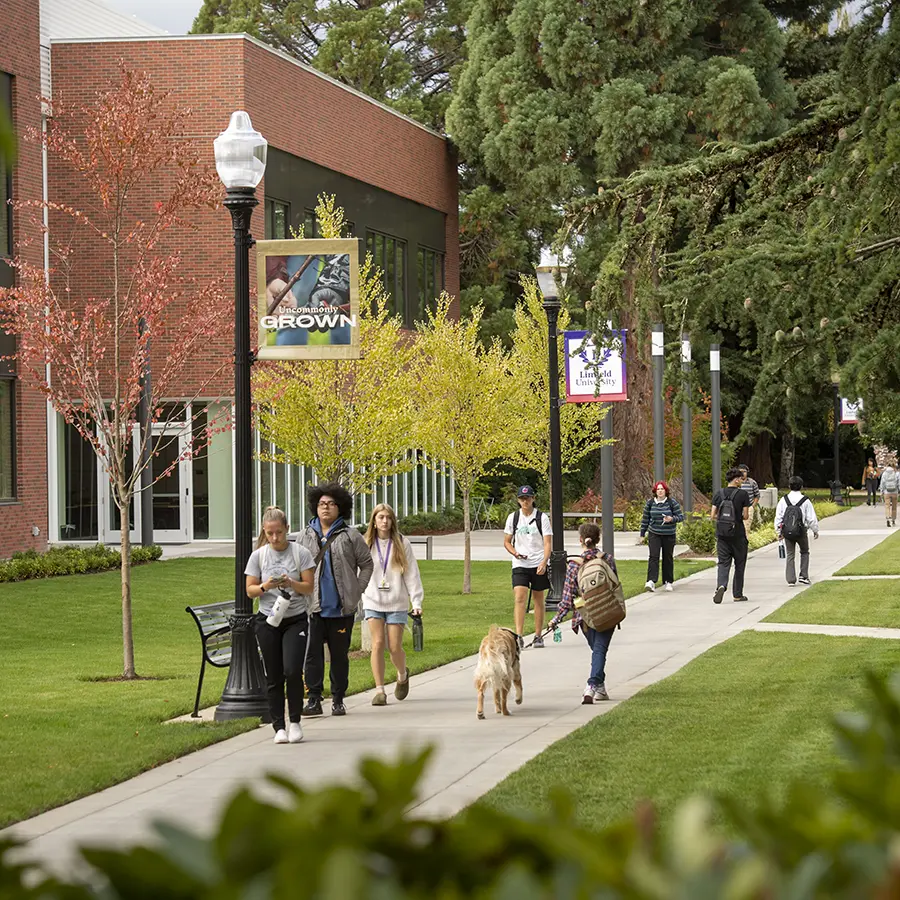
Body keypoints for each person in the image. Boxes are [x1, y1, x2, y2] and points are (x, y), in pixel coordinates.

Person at [299, 483, 374, 717]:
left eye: (331, 504)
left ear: (340, 508)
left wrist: (356, 590)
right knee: (312, 655)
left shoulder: (350, 536)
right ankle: (313, 699)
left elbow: (367, 564)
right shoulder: (304, 536)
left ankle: (338, 699)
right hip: (312, 607)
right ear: (315, 507)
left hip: (341, 609)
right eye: (322, 504)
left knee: (339, 656)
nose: (326, 508)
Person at [245, 507, 316, 744]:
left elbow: (308, 587)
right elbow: (250, 590)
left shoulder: (300, 553)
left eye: (279, 532)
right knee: (273, 675)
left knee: (292, 670)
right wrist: (266, 586)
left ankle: (294, 720)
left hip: (295, 618)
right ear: (264, 533)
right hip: (268, 620)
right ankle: (279, 727)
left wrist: (290, 582)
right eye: (270, 534)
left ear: (287, 529)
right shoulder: (259, 556)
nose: (275, 538)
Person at [362, 503, 424, 706]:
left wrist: (416, 601)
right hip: (373, 600)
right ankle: (379, 690)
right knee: (378, 643)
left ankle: (402, 674)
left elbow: (411, 573)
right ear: (374, 520)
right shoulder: (366, 543)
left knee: (395, 646)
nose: (384, 521)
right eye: (380, 517)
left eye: (388, 517)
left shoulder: (401, 542)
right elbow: (359, 572)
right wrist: (357, 595)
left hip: (396, 601)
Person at [547, 523, 616, 704]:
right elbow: (615, 586)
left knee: (598, 650)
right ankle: (596, 686)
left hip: (585, 617)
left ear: (580, 540)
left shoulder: (573, 565)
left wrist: (556, 619)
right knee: (599, 651)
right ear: (598, 539)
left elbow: (568, 597)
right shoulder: (607, 559)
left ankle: (592, 685)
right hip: (608, 613)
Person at [503, 485, 552, 650]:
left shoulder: (542, 518)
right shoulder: (513, 518)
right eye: (522, 499)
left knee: (538, 598)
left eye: (528, 498)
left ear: (533, 499)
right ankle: (519, 636)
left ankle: (538, 635)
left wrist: (544, 562)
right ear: (518, 500)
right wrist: (515, 553)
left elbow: (547, 543)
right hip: (520, 563)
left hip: (538, 562)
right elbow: (507, 541)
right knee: (519, 598)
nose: (525, 501)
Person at [711, 467, 752, 604]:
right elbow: (746, 516)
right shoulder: (743, 495)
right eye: (740, 478)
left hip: (722, 535)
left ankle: (721, 585)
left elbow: (712, 515)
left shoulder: (719, 493)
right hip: (738, 534)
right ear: (736, 480)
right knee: (739, 564)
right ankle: (737, 594)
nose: (742, 481)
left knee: (723, 563)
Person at [639, 480, 684, 592]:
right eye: (658, 489)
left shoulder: (672, 503)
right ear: (655, 491)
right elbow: (645, 519)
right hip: (654, 533)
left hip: (669, 534)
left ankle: (668, 581)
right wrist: (642, 534)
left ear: (666, 491)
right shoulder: (650, 503)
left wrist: (671, 519)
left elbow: (680, 517)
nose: (660, 491)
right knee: (653, 557)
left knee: (667, 558)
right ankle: (651, 581)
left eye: (662, 489)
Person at [774, 476, 820, 585]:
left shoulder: (784, 500)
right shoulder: (805, 500)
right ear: (801, 486)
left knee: (790, 554)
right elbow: (811, 518)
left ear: (789, 486)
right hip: (801, 530)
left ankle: (790, 579)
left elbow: (779, 516)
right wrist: (815, 530)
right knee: (804, 551)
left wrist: (778, 531)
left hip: (787, 531)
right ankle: (803, 575)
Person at [738, 464, 760, 538]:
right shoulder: (736, 482)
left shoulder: (752, 482)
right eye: (740, 471)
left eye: (744, 471)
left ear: (747, 472)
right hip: (737, 507)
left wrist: (752, 506)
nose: (742, 473)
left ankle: (745, 545)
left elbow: (757, 495)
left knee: (746, 528)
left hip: (748, 507)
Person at [880, 463, 899, 528]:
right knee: (894, 507)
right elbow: (898, 483)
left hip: (887, 492)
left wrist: (881, 491)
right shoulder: (896, 474)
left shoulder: (884, 473)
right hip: (894, 492)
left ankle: (888, 518)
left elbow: (882, 483)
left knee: (887, 506)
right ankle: (893, 519)